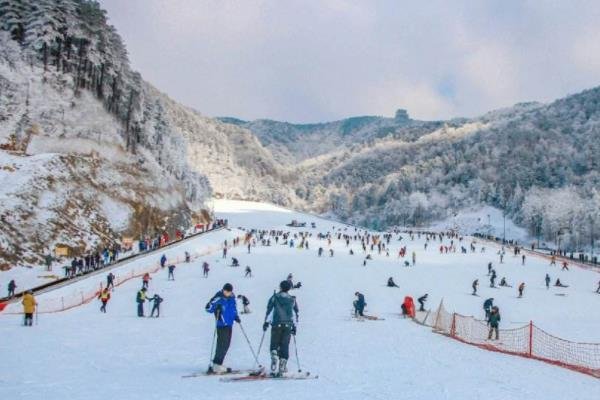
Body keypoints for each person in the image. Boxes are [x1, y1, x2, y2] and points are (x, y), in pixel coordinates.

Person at [263, 280, 299, 375]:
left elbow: (270, 311)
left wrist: (266, 322)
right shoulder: (292, 299)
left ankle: (274, 354)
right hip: (288, 324)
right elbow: (295, 314)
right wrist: (294, 326)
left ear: (280, 287)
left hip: (276, 324)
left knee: (274, 342)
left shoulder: (274, 297)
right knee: (285, 344)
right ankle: (283, 362)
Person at [205, 283, 240, 373]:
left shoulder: (232, 298)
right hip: (221, 324)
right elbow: (208, 308)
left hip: (229, 324)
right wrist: (217, 308)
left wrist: (236, 316)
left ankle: (219, 364)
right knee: (222, 344)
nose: (227, 293)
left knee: (227, 344)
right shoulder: (218, 298)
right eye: (226, 291)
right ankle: (216, 364)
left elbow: (233, 308)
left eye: (229, 291)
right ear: (223, 290)